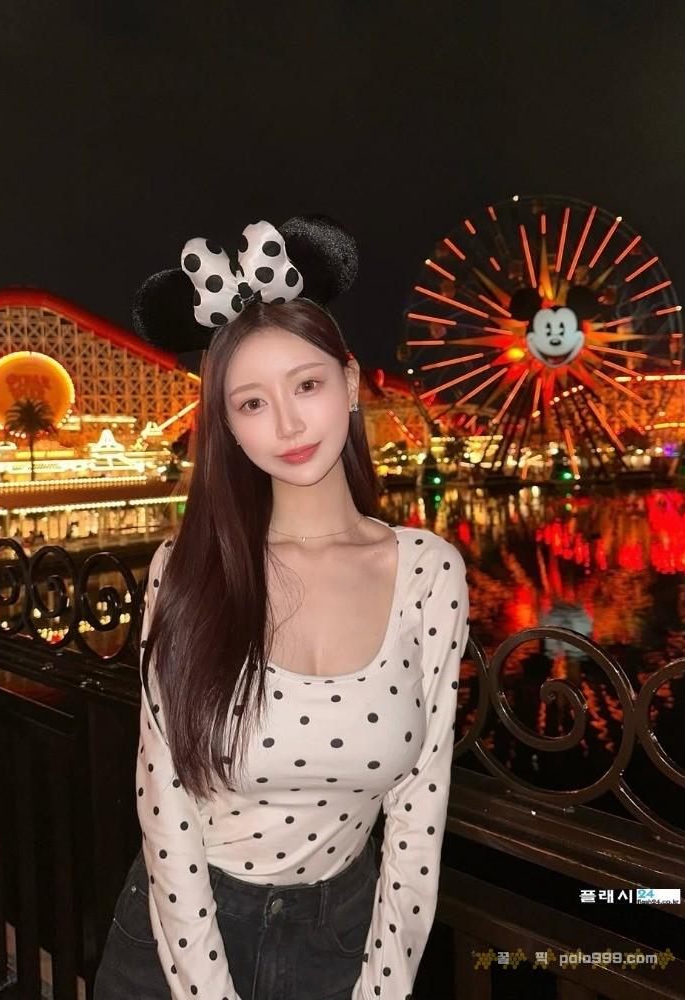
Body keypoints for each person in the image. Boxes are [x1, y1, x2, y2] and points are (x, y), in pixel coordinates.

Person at [94, 216, 470, 1000]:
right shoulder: (187, 571)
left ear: (351, 383)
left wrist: (386, 983)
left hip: (340, 934)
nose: (289, 425)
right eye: (251, 403)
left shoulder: (428, 572)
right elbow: (164, 801)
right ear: (226, 425)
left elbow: (420, 808)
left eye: (306, 385)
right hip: (178, 931)